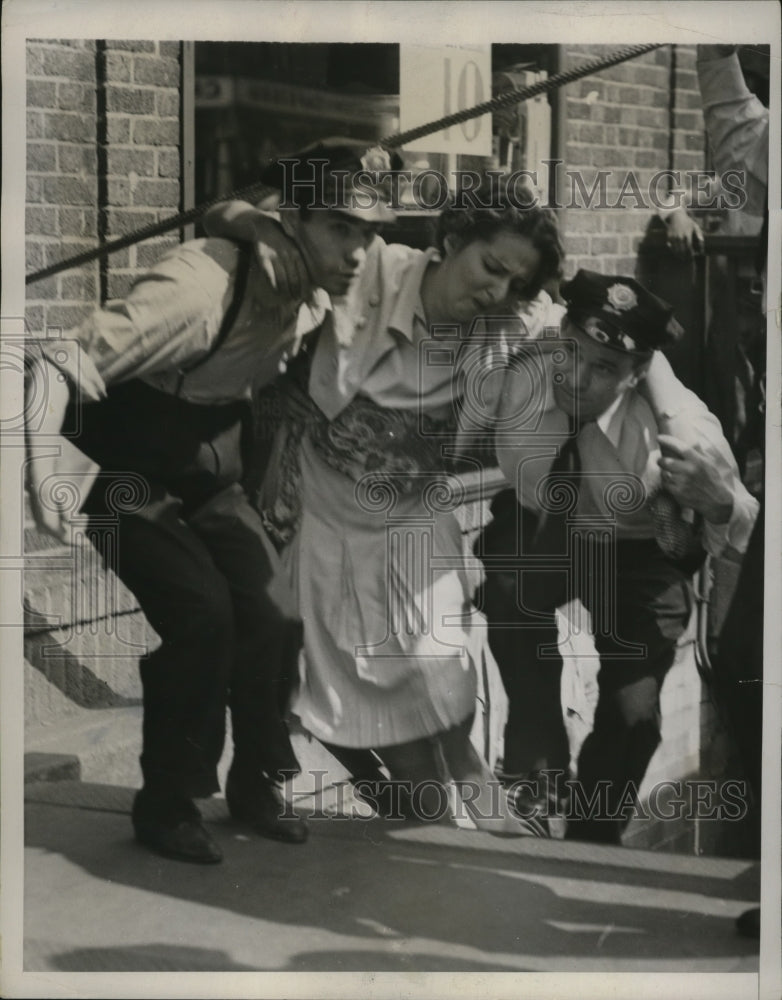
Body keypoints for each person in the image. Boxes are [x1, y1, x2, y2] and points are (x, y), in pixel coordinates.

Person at [24, 141, 395, 863]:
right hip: (124, 467)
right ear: (295, 217)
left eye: (367, 234)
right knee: (202, 615)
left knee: (275, 612)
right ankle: (167, 805)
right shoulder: (201, 288)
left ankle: (257, 786)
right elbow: (56, 365)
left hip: (207, 469)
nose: (357, 252)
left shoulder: (310, 283)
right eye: (340, 229)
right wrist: (45, 477)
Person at [206, 173, 566, 833]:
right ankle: (436, 845)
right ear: (451, 240)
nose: (497, 290)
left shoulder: (512, 320)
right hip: (321, 507)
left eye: (517, 281)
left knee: (446, 689)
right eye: (490, 267)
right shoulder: (368, 270)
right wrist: (259, 229)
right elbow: (225, 209)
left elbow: (605, 336)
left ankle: (493, 840)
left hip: (413, 515)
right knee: (374, 696)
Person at [475, 269, 759, 844]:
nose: (576, 379)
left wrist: (716, 501)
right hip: (549, 526)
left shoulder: (681, 431)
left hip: (637, 549)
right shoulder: (529, 376)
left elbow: (742, 519)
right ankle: (539, 763)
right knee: (508, 585)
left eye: (604, 367)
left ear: (636, 376)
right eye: (572, 354)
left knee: (634, 711)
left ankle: (591, 840)